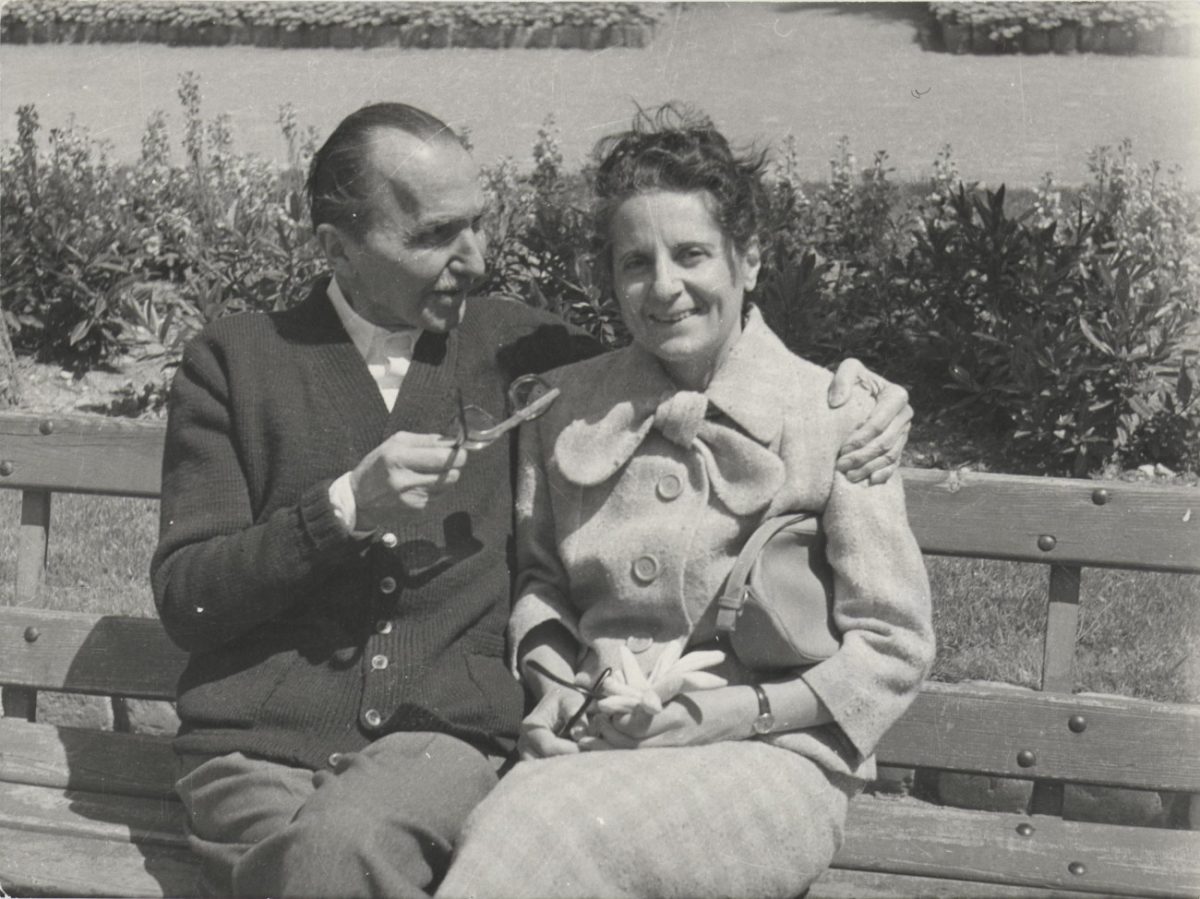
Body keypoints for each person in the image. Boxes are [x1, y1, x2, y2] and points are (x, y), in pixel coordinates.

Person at [152, 101, 914, 899]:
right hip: (256, 753)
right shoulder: (234, 364)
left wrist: (867, 398)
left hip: (431, 745)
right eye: (435, 236)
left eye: (477, 224)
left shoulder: (522, 353)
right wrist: (341, 508)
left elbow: (686, 346)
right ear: (338, 249)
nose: (476, 259)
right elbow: (187, 599)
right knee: (319, 866)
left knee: (332, 857)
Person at [436, 107, 936, 899]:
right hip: (596, 745)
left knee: (537, 828)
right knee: (520, 823)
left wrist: (732, 713)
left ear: (750, 259)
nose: (664, 286)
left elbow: (894, 645)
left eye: (692, 253)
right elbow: (540, 583)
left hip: (774, 760)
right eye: (636, 262)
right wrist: (555, 689)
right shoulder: (563, 408)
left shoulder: (840, 413)